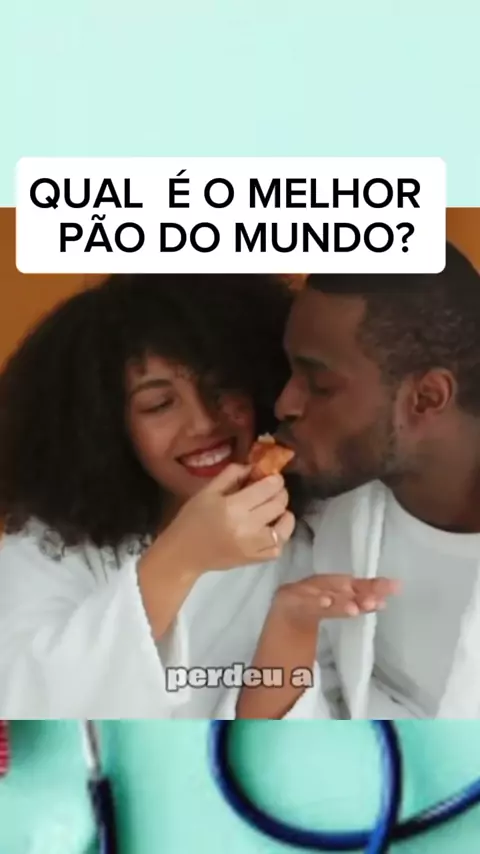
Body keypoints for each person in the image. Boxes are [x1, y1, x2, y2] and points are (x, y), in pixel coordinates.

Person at [0, 272, 317, 718]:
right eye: (159, 405)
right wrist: (181, 558)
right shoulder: (48, 546)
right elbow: (21, 703)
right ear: (104, 427)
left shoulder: (321, 532)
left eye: (220, 387)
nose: (203, 423)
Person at [237, 241, 480, 720]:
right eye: (290, 373)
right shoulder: (332, 521)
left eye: (320, 384)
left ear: (426, 398)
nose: (285, 404)